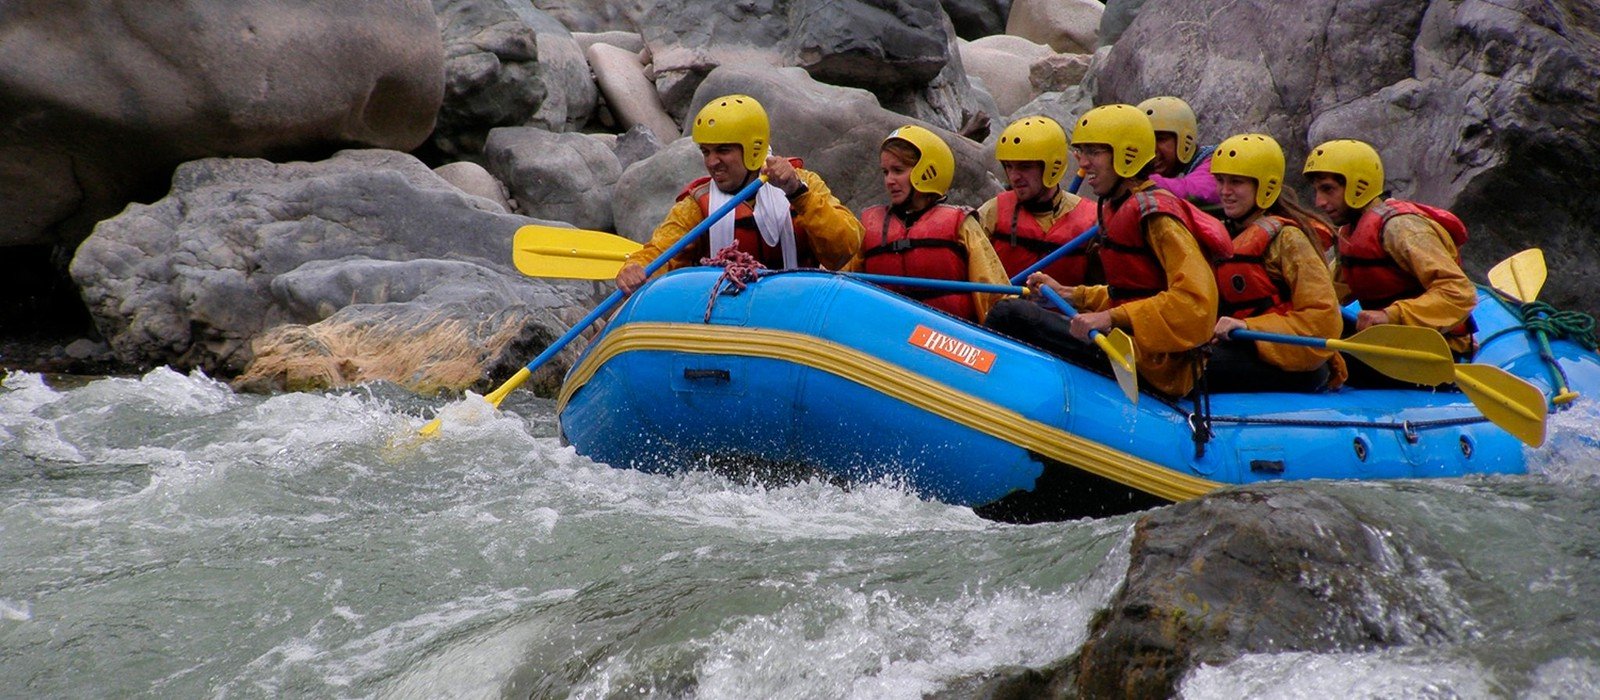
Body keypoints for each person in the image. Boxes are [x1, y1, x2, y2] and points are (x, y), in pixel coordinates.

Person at [985, 104, 1230, 399]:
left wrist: (1108, 318)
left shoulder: (1157, 216)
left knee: (1011, 314)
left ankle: (983, 398)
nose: (1084, 163)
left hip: (1156, 363)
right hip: (1133, 346)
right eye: (1082, 152)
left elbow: (1194, 304)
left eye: (1094, 152)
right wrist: (1069, 294)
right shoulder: (1119, 206)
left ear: (1127, 155)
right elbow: (1128, 291)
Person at [615, 94, 863, 294]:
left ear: (753, 150)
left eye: (722, 150)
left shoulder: (805, 185)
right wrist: (634, 267)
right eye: (706, 152)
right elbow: (660, 251)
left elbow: (845, 248)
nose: (712, 162)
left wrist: (798, 193)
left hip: (793, 307)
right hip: (726, 313)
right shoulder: (696, 203)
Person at [1303, 139, 1477, 383]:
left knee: (1312, 362)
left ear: (1358, 186)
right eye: (1317, 191)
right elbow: (1327, 297)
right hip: (1391, 344)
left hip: (1434, 351)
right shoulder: (1351, 234)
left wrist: (1390, 315)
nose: (1319, 202)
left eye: (1328, 189)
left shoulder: (1401, 228)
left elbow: (1460, 292)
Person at [1205, 133, 1346, 392]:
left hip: (1297, 362)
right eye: (1221, 181)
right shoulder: (1225, 235)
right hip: (1243, 347)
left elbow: (1323, 320)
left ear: (1265, 187)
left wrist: (1248, 326)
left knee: (1187, 368)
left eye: (1236, 182)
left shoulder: (1289, 239)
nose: (1225, 191)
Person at [841, 125, 1009, 323]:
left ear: (927, 171)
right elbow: (841, 283)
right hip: (886, 334)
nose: (889, 180)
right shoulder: (869, 227)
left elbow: (992, 294)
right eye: (885, 172)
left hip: (948, 338)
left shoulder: (961, 225)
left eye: (898, 171)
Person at [977, 116, 1099, 285]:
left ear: (1051, 167)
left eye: (1024, 167)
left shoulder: (1092, 220)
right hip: (1004, 306)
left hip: (1065, 309)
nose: (1014, 177)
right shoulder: (993, 211)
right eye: (1009, 166)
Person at [1138, 96, 1221, 210]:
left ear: (1184, 139)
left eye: (1161, 139)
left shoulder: (1215, 161)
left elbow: (1200, 191)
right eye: (1144, 140)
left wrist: (1137, 181)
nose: (1152, 149)